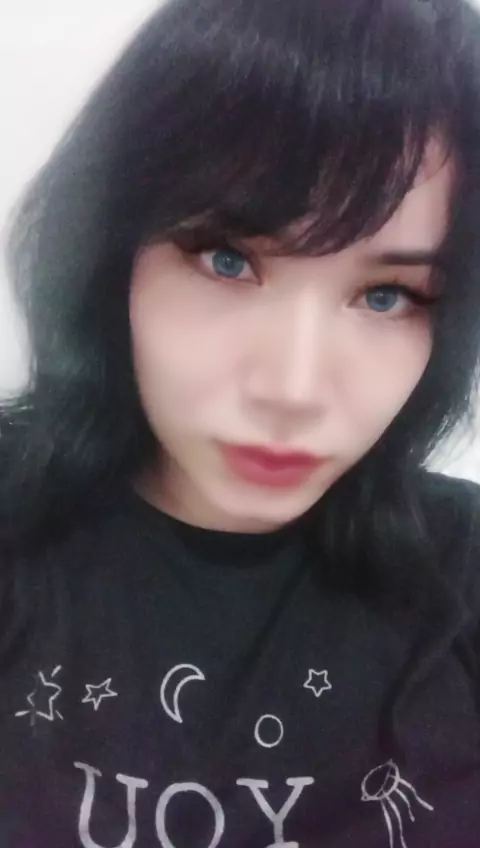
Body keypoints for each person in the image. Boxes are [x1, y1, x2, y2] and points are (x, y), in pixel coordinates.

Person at [1, 0, 480, 845]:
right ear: (112, 253)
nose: (294, 389)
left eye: (386, 295)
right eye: (228, 260)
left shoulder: (462, 565)